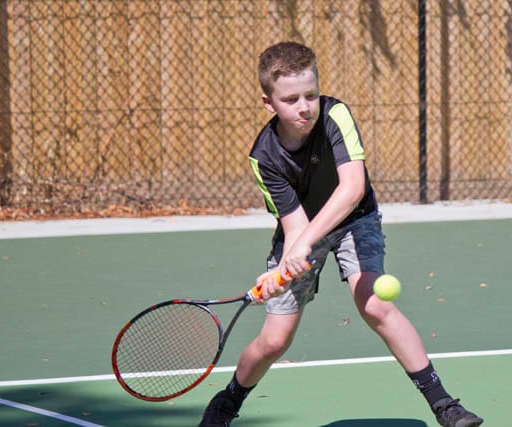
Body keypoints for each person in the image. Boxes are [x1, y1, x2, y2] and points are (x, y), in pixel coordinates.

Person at [199, 41, 483, 427]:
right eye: (291, 99)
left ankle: (445, 406)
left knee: (374, 304)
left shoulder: (336, 115)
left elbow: (351, 190)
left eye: (310, 94)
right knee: (275, 340)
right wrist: (285, 268)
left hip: (356, 219)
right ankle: (226, 402)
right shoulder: (263, 157)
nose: (304, 107)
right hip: (302, 229)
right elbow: (295, 226)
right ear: (269, 103)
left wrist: (303, 244)